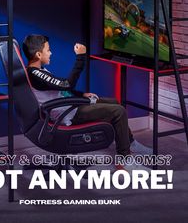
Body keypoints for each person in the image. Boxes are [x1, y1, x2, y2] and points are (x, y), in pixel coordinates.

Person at [22, 34, 152, 165]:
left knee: (114, 102)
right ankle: (125, 161)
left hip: (68, 107)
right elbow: (67, 84)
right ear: (39, 55)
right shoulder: (35, 73)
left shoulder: (38, 70)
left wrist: (81, 95)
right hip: (66, 114)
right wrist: (80, 57)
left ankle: (131, 144)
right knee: (119, 111)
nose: (51, 53)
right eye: (48, 50)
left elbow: (58, 89)